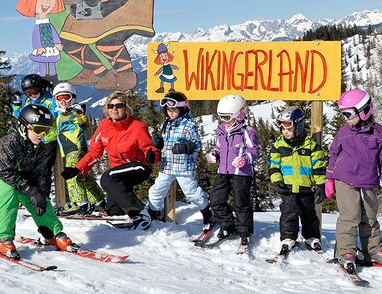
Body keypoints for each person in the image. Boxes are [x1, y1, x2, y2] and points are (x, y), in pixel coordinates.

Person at [0, 104, 77, 259]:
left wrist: (40, 194)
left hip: (16, 173)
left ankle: (52, 233)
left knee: (38, 196)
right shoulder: (10, 141)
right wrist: (30, 190)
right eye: (38, 130)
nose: (42, 134)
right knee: (8, 191)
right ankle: (0, 238)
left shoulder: (39, 146)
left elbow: (40, 173)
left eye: (46, 130)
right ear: (24, 126)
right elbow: (4, 172)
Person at [325, 89, 382, 273]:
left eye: (348, 113)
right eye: (342, 113)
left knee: (369, 217)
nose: (345, 118)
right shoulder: (344, 132)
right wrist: (329, 179)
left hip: (369, 180)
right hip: (344, 179)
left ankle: (373, 250)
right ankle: (346, 252)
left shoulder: (380, 133)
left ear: (363, 111)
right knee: (350, 216)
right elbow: (334, 155)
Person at [69, 91, 160, 229]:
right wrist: (78, 169)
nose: (114, 109)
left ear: (126, 108)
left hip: (139, 167)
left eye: (119, 106)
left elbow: (150, 149)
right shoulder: (104, 126)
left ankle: (140, 214)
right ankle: (134, 210)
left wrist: (152, 155)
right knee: (114, 211)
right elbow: (94, 153)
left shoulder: (137, 126)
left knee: (107, 178)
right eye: (111, 106)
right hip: (118, 172)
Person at [147, 92, 214, 229]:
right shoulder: (165, 123)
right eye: (168, 110)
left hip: (183, 167)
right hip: (167, 165)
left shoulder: (188, 125)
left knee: (192, 192)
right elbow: (164, 142)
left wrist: (187, 147)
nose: (170, 113)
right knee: (157, 190)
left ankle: (207, 212)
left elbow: (197, 144)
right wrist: (159, 145)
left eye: (174, 109)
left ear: (182, 108)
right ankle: (153, 213)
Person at [269, 105, 326, 256]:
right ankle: (288, 237)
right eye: (283, 129)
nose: (285, 132)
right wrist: (277, 180)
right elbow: (274, 166)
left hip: (306, 187)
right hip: (287, 188)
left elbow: (319, 167)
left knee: (309, 214)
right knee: (289, 213)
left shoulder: (311, 146)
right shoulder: (278, 146)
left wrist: (320, 185)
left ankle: (312, 237)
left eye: (289, 128)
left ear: (299, 126)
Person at [207, 94, 260, 248]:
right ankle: (227, 225)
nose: (225, 121)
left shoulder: (247, 131)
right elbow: (218, 146)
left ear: (238, 114)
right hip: (223, 171)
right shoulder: (221, 130)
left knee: (241, 203)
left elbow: (255, 150)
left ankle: (244, 231)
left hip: (241, 173)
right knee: (216, 200)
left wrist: (244, 158)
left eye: (227, 117)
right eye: (222, 117)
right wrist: (214, 154)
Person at [53, 82, 105, 215]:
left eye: (66, 97)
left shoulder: (75, 111)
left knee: (72, 174)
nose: (64, 101)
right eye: (60, 98)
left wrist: (80, 114)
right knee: (83, 175)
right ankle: (98, 201)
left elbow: (84, 123)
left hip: (75, 148)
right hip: (69, 149)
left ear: (73, 98)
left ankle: (79, 203)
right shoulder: (59, 114)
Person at [12, 74, 58, 182]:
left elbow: (53, 117)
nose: (32, 95)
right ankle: (33, 195)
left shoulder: (49, 101)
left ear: (41, 88)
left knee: (43, 170)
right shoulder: (29, 102)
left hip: (47, 139)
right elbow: (21, 116)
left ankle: (43, 196)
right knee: (30, 168)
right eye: (28, 93)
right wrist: (17, 104)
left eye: (35, 91)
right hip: (33, 140)